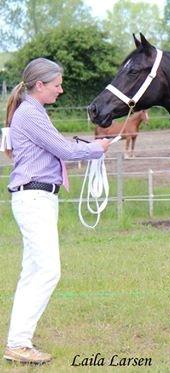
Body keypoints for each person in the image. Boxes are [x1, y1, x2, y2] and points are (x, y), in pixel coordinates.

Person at [1, 58, 111, 364]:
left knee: (34, 272)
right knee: (48, 270)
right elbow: (62, 149)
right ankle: (18, 343)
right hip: (34, 198)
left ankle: (18, 342)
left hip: (37, 198)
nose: (61, 90)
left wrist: (90, 147)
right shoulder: (31, 114)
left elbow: (56, 146)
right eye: (57, 85)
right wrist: (95, 149)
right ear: (40, 85)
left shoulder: (32, 112)